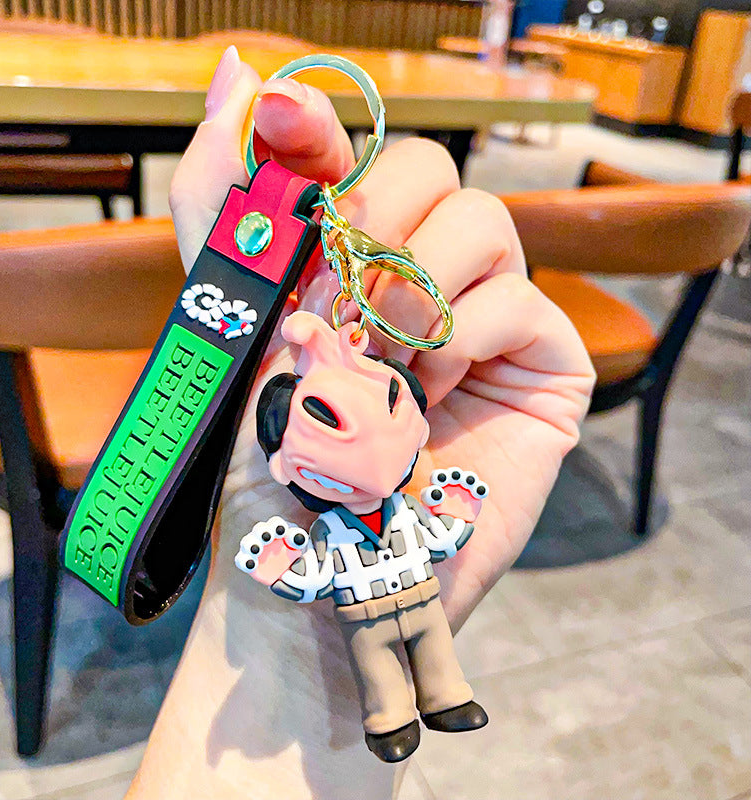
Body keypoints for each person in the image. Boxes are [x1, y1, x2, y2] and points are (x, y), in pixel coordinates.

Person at [126, 45, 595, 800]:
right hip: (365, 613)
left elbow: (440, 534)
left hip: (410, 590)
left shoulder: (400, 502)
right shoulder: (330, 525)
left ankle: (443, 694)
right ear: (284, 466)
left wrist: (457, 507)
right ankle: (389, 713)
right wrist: (278, 589)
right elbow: (315, 575)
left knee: (431, 654)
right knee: (380, 671)